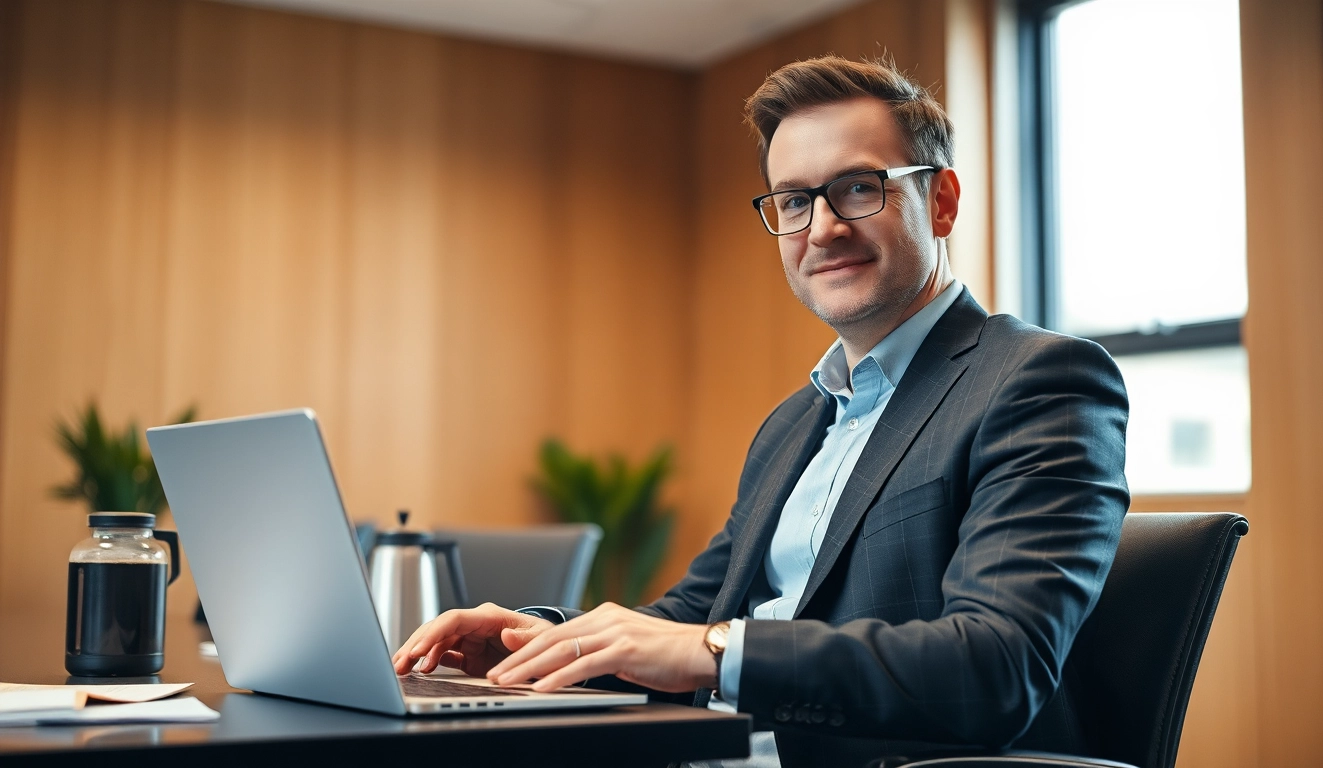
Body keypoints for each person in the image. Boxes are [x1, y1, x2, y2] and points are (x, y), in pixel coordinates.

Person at [393, 55, 1129, 766]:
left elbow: (995, 667)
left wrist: (718, 651)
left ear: (941, 201)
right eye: (795, 200)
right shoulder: (794, 423)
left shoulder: (1039, 381)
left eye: (859, 188)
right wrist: (548, 640)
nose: (823, 228)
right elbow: (691, 614)